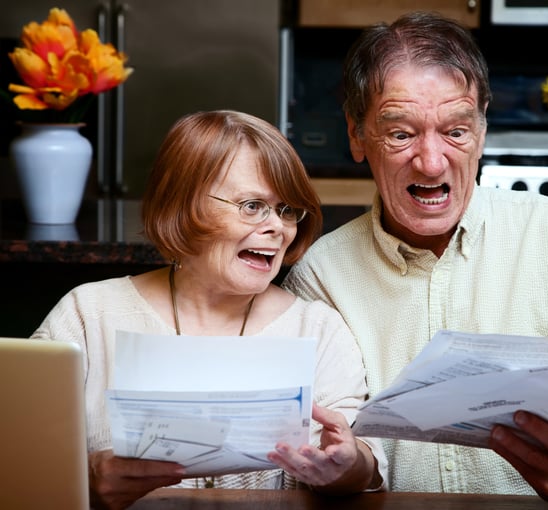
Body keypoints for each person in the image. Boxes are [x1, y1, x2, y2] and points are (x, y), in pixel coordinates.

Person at [283, 11, 548, 504]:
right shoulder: (321, 276)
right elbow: (327, 455)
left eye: (456, 131)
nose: (430, 161)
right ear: (357, 135)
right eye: (401, 133)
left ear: (483, 128)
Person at [31, 110, 386, 510]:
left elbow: (366, 468)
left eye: (286, 210)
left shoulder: (318, 329)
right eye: (252, 206)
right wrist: (87, 480)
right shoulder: (88, 315)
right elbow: (19, 461)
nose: (277, 227)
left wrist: (348, 466)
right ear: (183, 204)